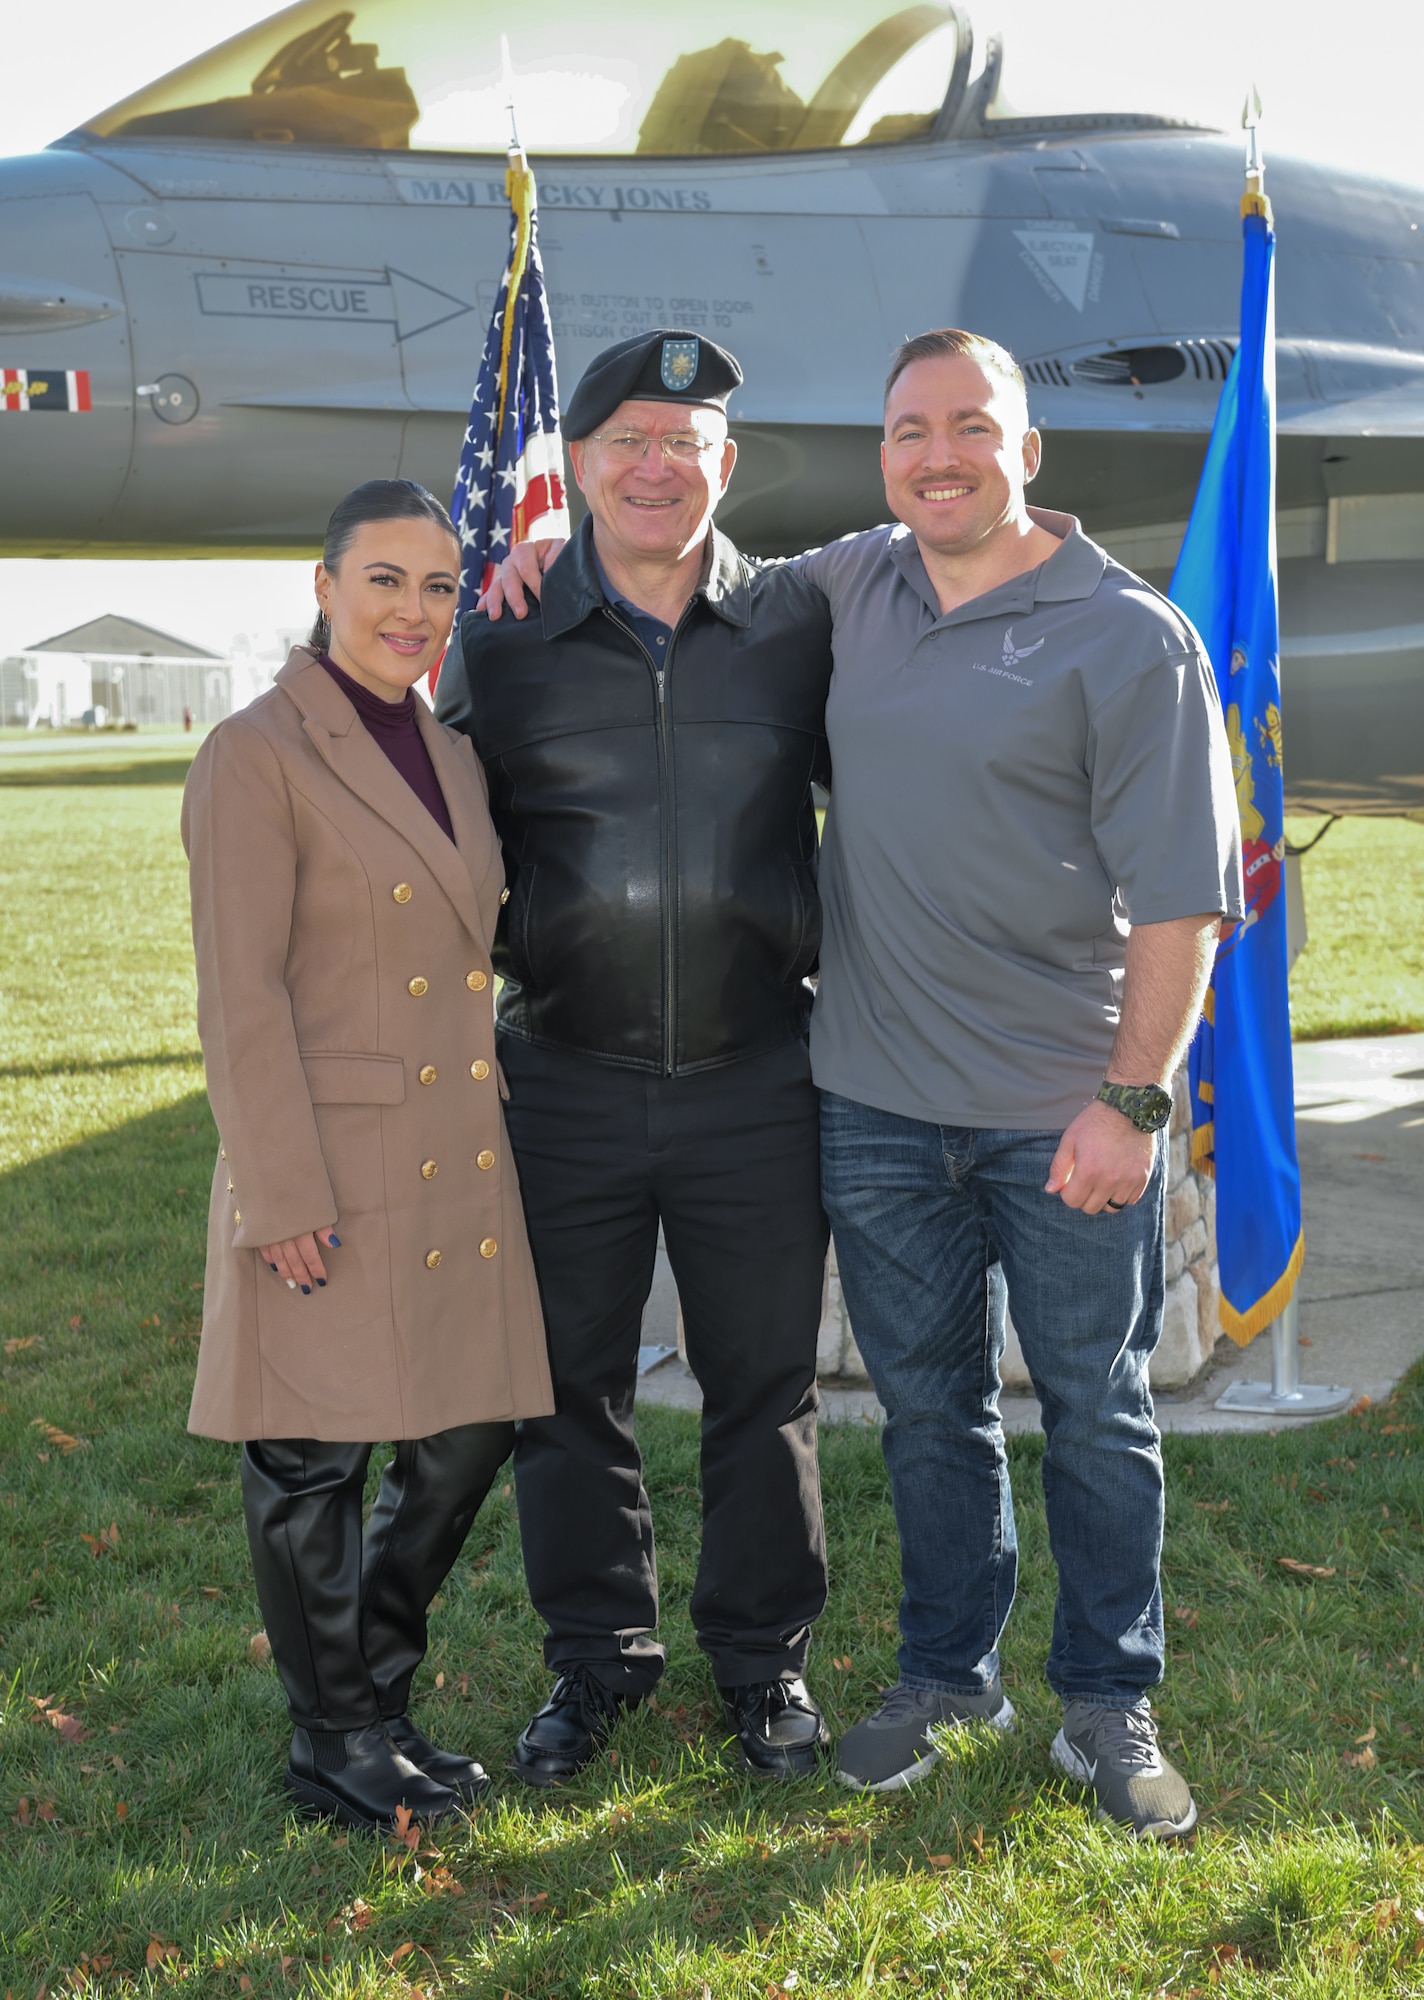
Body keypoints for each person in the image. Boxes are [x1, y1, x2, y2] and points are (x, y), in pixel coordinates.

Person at [486, 327, 1241, 1839]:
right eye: (910, 429)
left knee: (1091, 1412)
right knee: (926, 1413)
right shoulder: (846, 587)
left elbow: (1184, 899)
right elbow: (657, 551)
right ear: (880, 454)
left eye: (973, 425)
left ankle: (1105, 1702)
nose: (939, 454)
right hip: (871, 1102)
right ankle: (942, 1676)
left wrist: (1136, 1100)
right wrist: (547, 548)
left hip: (1052, 1108)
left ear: (1028, 450)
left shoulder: (1123, 631)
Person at [435, 331, 835, 1784]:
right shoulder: (503, 634)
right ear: (584, 464)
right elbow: (411, 823)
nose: (657, 466)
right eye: (628, 442)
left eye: (688, 440)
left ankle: (763, 1667)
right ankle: (596, 1660)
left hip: (757, 1077)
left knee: (763, 1387)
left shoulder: (801, 623)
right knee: (566, 1387)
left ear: (728, 464)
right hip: (564, 1078)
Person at [181, 478, 554, 1831]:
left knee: (468, 1432)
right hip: (326, 1161)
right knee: (311, 1464)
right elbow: (241, 995)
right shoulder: (256, 752)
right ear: (326, 586)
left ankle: (372, 1688)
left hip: (451, 1152)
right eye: (384, 580)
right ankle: (333, 1736)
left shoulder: (446, 752)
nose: (413, 610)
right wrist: (279, 1190)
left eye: (438, 585)